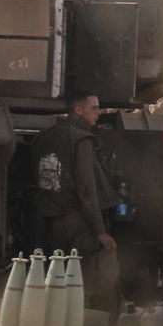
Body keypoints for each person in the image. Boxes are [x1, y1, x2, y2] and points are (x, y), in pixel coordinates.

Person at [32, 90, 120, 308]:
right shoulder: (81, 139)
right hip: (77, 220)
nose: (99, 112)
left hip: (49, 220)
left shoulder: (44, 137)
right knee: (82, 281)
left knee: (55, 276)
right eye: (94, 108)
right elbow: (86, 189)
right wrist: (100, 231)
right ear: (78, 110)